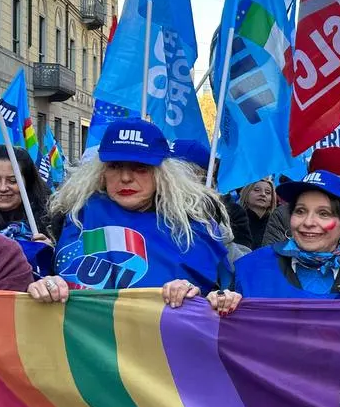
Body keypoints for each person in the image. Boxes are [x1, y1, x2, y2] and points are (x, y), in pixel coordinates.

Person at [28, 119, 229, 303]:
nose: (125, 177)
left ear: (161, 173)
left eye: (140, 167)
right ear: (101, 171)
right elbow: (55, 275)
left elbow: (221, 300)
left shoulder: (194, 229)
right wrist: (46, 283)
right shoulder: (74, 215)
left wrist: (201, 296)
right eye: (115, 166)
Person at [171, 171, 340, 312]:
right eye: (300, 211)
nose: (308, 222)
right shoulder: (250, 269)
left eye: (324, 214)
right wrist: (209, 301)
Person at [170, 139, 252, 252]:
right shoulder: (150, 207)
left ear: (201, 174)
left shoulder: (230, 212)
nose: (167, 177)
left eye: (174, 170)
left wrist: (218, 232)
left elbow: (243, 262)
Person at [0, 145, 51, 238]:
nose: (3, 188)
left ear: (28, 181)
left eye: (13, 181)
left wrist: (49, 249)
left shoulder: (52, 219)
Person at [237, 178, 276, 250]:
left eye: (268, 192)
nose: (263, 194)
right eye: (257, 190)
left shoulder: (275, 225)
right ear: (246, 194)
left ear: (272, 200)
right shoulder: (235, 221)